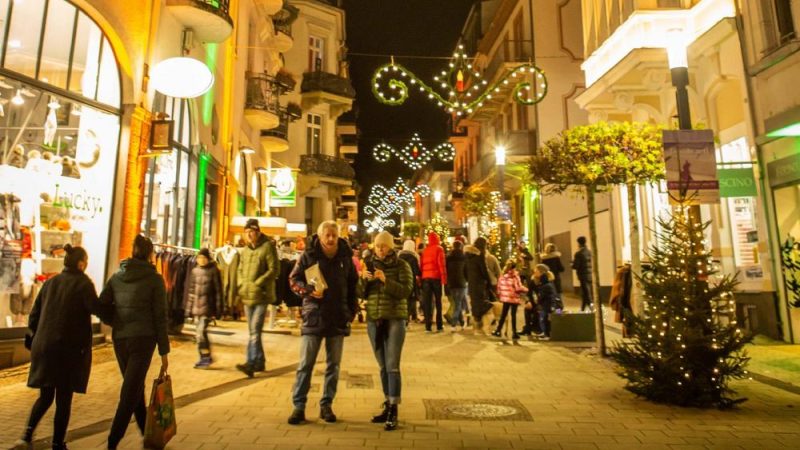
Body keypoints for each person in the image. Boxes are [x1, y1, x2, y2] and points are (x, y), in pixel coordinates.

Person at [16, 245, 96, 449]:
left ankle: (26, 435)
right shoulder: (83, 284)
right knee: (63, 399)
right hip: (67, 350)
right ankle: (57, 443)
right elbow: (96, 308)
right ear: (81, 264)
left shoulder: (51, 283)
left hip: (45, 347)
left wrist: (35, 336)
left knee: (45, 396)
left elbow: (34, 314)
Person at [287, 221, 358, 425]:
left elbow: (353, 285)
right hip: (314, 316)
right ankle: (299, 406)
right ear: (319, 236)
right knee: (305, 364)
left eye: (334, 235)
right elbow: (294, 280)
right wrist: (308, 291)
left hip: (338, 317)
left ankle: (326, 405)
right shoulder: (308, 255)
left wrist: (350, 312)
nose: (330, 238)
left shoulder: (345, 257)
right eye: (327, 235)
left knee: (333, 365)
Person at [102, 235, 169, 449]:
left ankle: (147, 435)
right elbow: (160, 317)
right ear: (150, 254)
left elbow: (102, 306)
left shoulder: (117, 277)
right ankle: (113, 440)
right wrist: (164, 351)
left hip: (120, 340)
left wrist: (115, 321)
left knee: (134, 386)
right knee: (130, 391)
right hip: (143, 340)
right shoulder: (155, 280)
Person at [357, 231, 413, 431]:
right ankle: (387, 402)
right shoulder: (369, 264)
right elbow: (360, 293)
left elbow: (406, 290)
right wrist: (363, 279)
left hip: (395, 319)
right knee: (382, 365)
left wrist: (385, 281)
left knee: (392, 366)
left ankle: (394, 409)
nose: (380, 249)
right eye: (378, 245)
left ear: (390, 247)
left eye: (384, 245)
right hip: (375, 320)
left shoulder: (401, 265)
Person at [236, 218, 279, 377]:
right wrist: (241, 284)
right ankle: (260, 361)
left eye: (251, 232)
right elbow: (240, 269)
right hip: (247, 295)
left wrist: (259, 282)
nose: (249, 235)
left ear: (258, 232)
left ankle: (251, 363)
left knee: (254, 331)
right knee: (253, 332)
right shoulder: (245, 250)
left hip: (262, 295)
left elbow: (274, 269)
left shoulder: (267, 247)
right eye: (246, 232)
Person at [184, 248, 223, 369]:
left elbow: (218, 292)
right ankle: (204, 357)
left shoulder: (214, 271)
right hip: (196, 308)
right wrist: (188, 309)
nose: (201, 260)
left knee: (201, 332)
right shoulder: (195, 271)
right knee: (199, 334)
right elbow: (191, 291)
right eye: (199, 258)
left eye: (203, 258)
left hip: (208, 308)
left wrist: (219, 309)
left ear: (208, 258)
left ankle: (206, 357)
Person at [420, 232, 447, 332]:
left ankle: (428, 326)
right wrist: (444, 279)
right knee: (438, 302)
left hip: (426, 278)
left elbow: (421, 265)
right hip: (436, 278)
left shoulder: (425, 250)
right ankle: (439, 325)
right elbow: (441, 265)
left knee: (427, 302)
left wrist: (421, 278)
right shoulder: (439, 249)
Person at [492, 261, 527, 340]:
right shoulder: (515, 276)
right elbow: (518, 288)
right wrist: (526, 289)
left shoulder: (503, 276)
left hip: (505, 298)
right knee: (513, 315)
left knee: (503, 315)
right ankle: (514, 333)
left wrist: (501, 295)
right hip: (514, 298)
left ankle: (498, 331)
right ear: (514, 267)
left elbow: (499, 288)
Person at [464, 238, 493, 334]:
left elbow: (464, 271)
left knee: (474, 303)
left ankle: (476, 326)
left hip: (472, 284)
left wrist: (469, 279)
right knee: (482, 304)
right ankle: (481, 326)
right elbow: (484, 271)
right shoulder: (480, 256)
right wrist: (489, 282)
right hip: (480, 284)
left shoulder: (468, 256)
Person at [445, 240, 468, 331]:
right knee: (458, 304)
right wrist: (467, 279)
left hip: (451, 283)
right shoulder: (464, 257)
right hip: (461, 283)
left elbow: (446, 270)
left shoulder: (448, 257)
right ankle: (453, 324)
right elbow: (466, 270)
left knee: (457, 302)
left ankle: (462, 322)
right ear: (461, 247)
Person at [397, 239, 421, 323]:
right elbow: (417, 271)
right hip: (410, 281)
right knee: (410, 300)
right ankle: (408, 317)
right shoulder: (413, 258)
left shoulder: (399, 257)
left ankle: (403, 317)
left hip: (400, 280)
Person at [532, 264, 557, 340]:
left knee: (543, 320)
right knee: (544, 320)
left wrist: (537, 299)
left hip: (546, 306)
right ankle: (545, 333)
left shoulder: (545, 286)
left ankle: (546, 334)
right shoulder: (550, 284)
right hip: (549, 306)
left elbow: (541, 297)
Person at [572, 236, 593, 311]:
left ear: (579, 243)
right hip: (589, 274)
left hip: (582, 275)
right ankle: (582, 309)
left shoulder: (578, 253)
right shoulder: (589, 252)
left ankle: (592, 309)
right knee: (585, 292)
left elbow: (576, 266)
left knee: (586, 293)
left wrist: (572, 264)